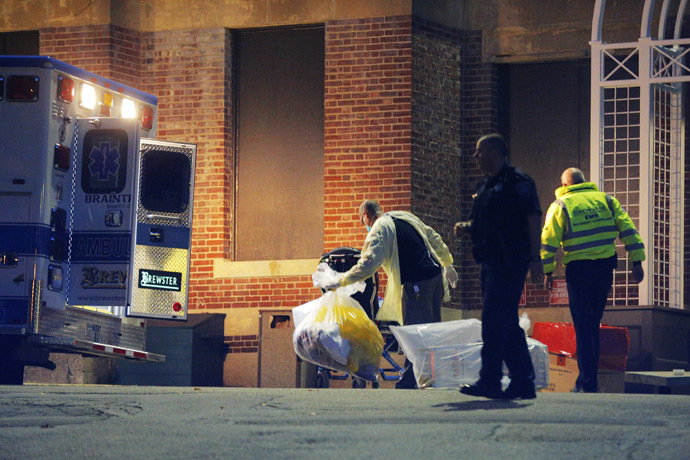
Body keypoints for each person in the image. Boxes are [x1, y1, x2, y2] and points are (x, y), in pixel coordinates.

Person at [323, 199, 458, 389]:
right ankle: (429, 379)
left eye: (363, 223)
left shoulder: (380, 228)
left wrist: (341, 280)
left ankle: (411, 381)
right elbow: (433, 237)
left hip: (416, 283)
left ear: (366, 215)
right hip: (435, 279)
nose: (366, 227)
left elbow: (368, 264)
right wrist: (447, 263)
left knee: (414, 332)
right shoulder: (405, 216)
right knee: (430, 332)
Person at [454, 133, 543, 400]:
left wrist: (535, 259)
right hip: (489, 262)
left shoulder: (517, 183)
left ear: (494, 152)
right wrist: (467, 227)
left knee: (494, 321)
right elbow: (487, 223)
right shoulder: (485, 186)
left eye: (479, 151)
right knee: (505, 322)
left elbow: (532, 220)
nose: (475, 156)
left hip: (510, 262)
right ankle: (523, 382)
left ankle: (490, 380)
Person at [541, 167, 645, 393]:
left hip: (578, 269)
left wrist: (547, 272)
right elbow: (628, 229)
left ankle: (587, 383)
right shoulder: (606, 200)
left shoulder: (561, 205)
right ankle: (588, 381)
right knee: (593, 323)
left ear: (565, 184)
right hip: (604, 267)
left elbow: (549, 240)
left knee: (583, 325)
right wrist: (637, 261)